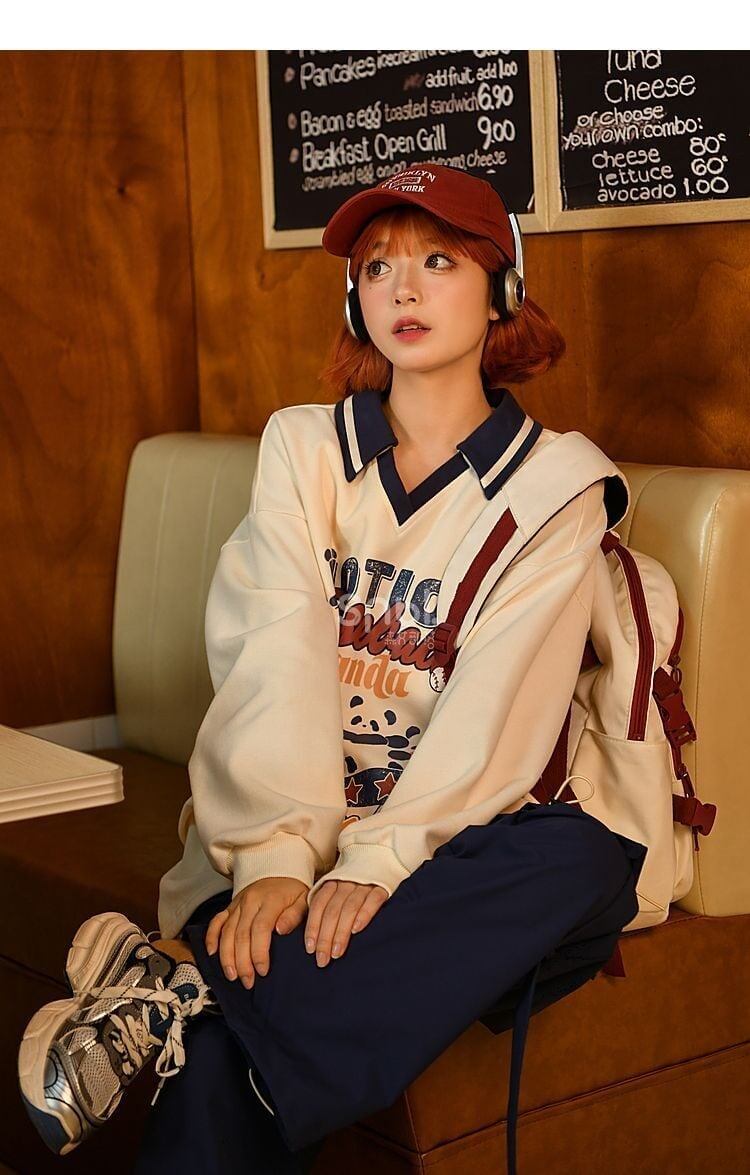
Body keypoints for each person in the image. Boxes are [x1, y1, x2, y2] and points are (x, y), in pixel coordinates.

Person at [18, 162, 647, 1175]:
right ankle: (211, 1003)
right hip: (292, 830)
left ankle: (177, 987)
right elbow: (274, 649)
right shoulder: (304, 447)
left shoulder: (558, 485)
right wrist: (280, 856)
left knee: (584, 856)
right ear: (354, 296)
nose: (403, 288)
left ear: (503, 290)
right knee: (230, 1046)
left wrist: (380, 864)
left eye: (439, 262)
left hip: (439, 854)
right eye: (378, 266)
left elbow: (500, 712)